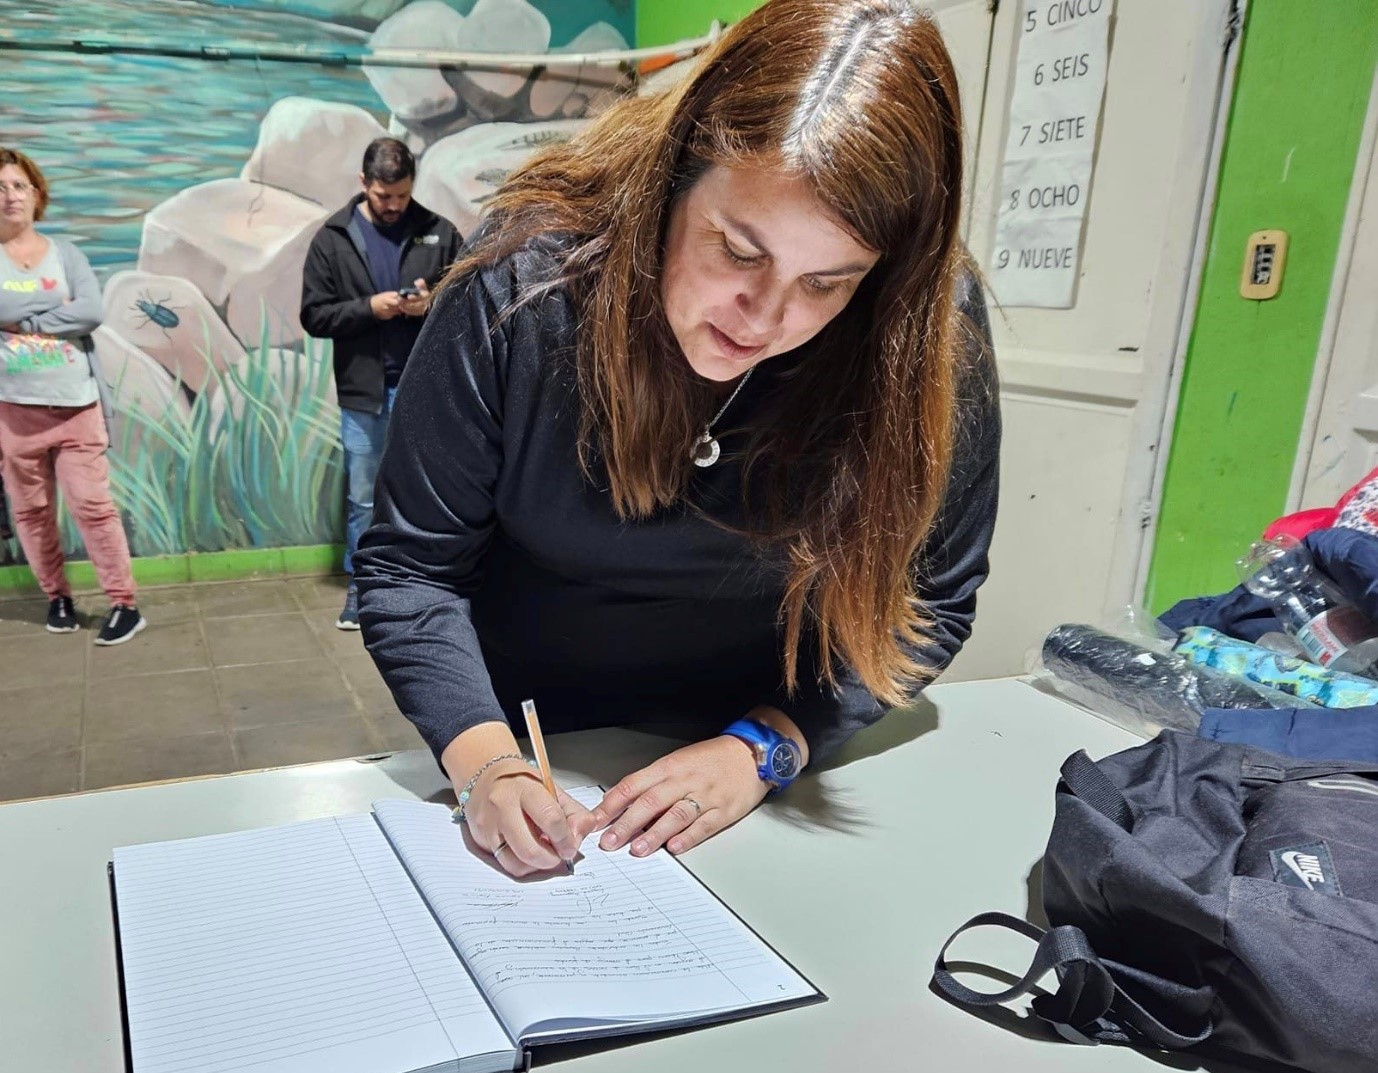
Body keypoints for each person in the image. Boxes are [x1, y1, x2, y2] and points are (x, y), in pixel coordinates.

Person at [356, 0, 1001, 877]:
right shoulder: (526, 282)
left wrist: (764, 747)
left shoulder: (924, 331)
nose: (767, 320)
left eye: (828, 282)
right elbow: (410, 569)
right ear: (669, 181)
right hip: (533, 740)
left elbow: (933, 597)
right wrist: (486, 763)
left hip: (765, 753)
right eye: (738, 250)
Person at [300, 137, 462, 630]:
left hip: (426, 391)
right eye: (383, 196)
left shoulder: (440, 231)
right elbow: (313, 315)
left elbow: (467, 301)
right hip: (363, 393)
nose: (394, 206)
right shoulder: (332, 237)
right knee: (364, 500)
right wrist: (369, 309)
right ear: (363, 184)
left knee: (431, 494)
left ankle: (431, 587)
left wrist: (430, 303)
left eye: (401, 196)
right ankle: (363, 589)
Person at [0, 148, 145, 644]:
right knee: (31, 512)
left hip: (77, 405)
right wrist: (51, 305)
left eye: (19, 185)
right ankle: (57, 597)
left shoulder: (67, 254)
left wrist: (23, 317)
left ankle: (124, 604)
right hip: (14, 412)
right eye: (0, 187)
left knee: (93, 507)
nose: (10, 196)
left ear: (36, 194)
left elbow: (91, 310)